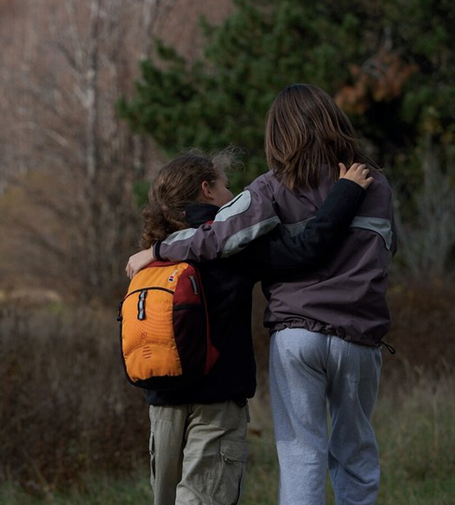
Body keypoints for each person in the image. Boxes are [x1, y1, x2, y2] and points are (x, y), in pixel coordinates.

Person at [127, 84, 396, 505]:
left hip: (296, 336)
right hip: (359, 336)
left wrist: (158, 250)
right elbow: (382, 253)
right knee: (356, 452)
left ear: (278, 134)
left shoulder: (270, 187)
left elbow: (216, 237)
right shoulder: (374, 183)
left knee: (301, 455)